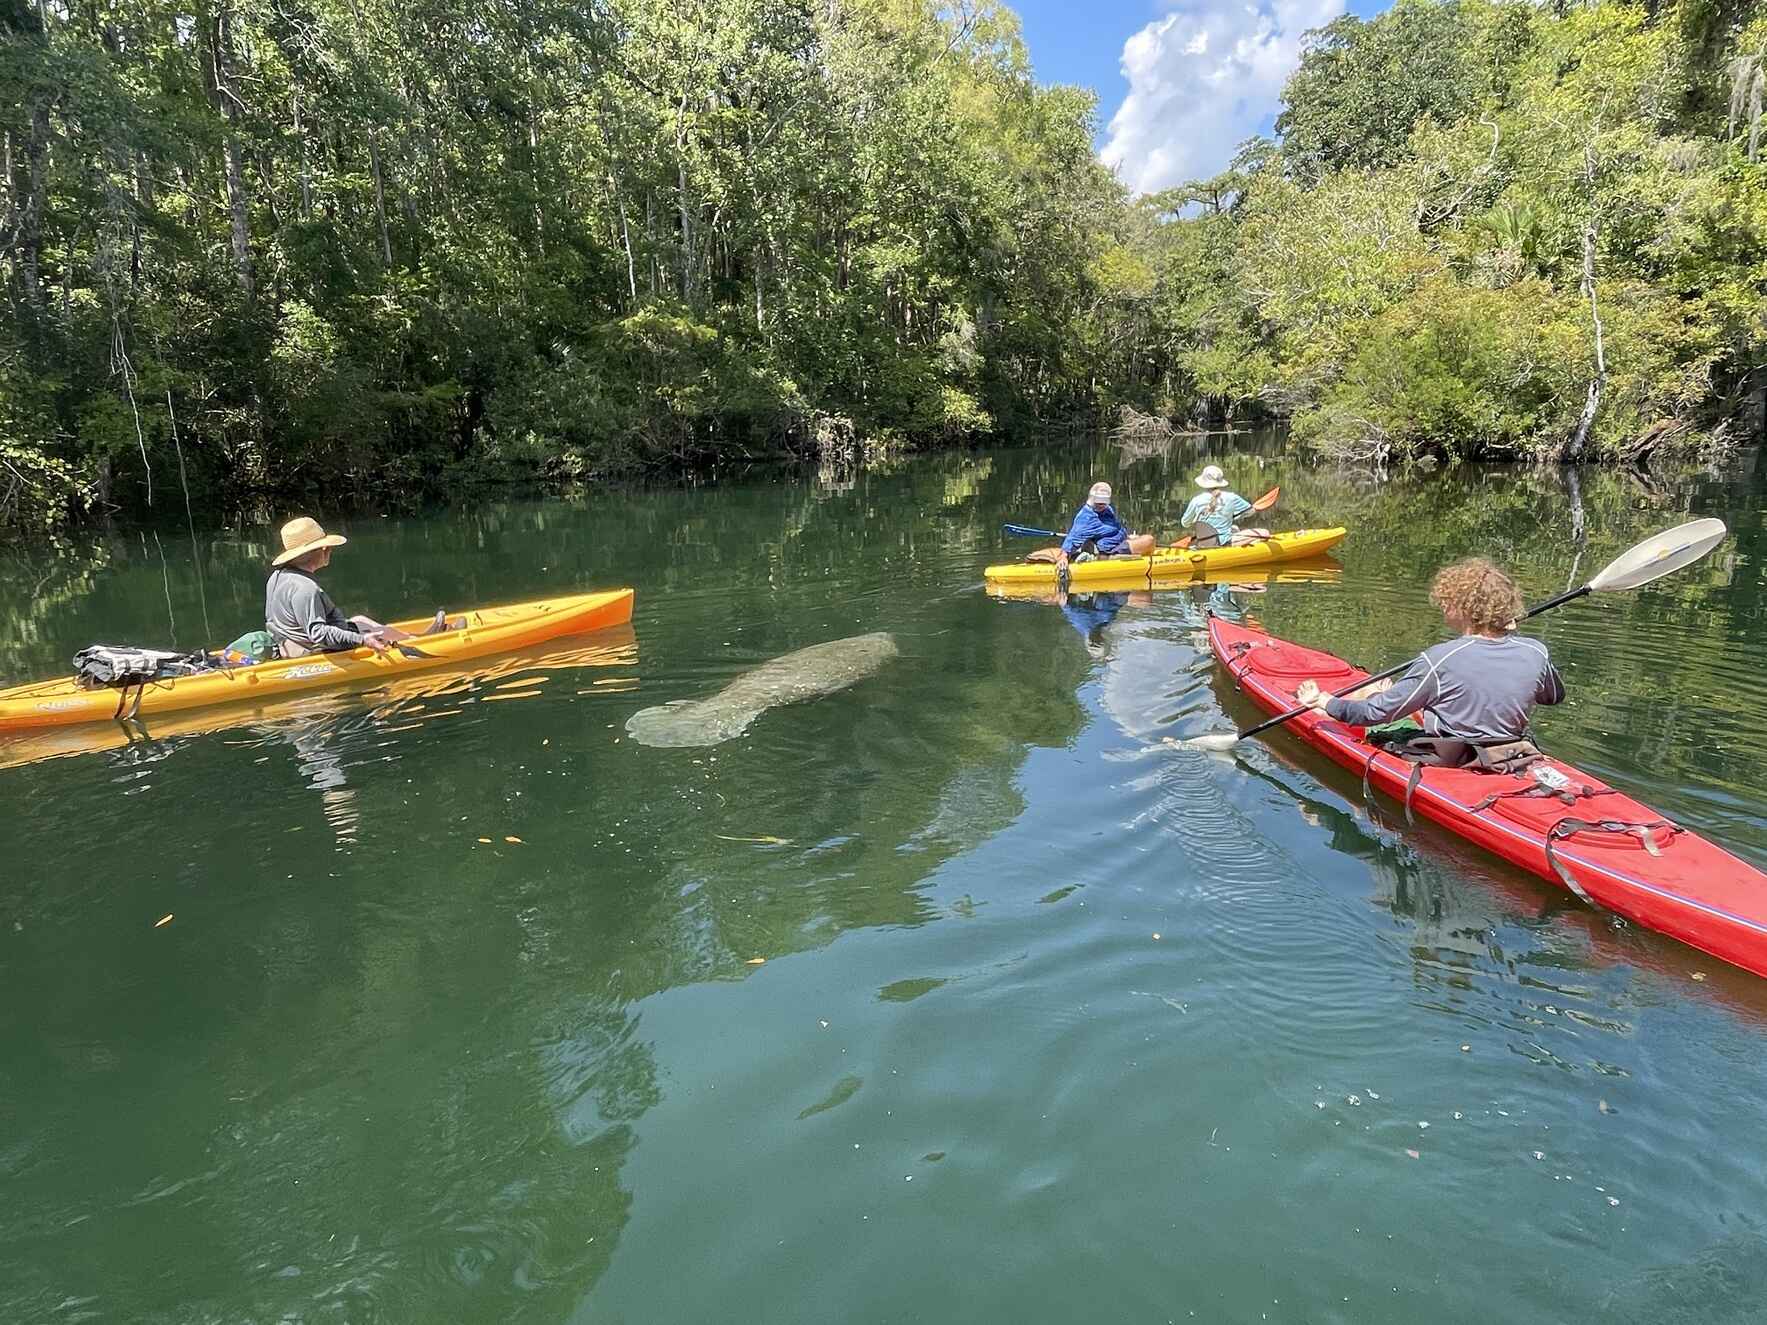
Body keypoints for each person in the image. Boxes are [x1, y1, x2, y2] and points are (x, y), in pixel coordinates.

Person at [1294, 558, 1564, 753]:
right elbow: (1553, 697)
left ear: (1464, 608)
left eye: (1447, 602)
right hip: (1511, 752)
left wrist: (1328, 702)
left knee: (1369, 700)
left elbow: (1375, 714)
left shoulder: (1439, 659)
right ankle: (1384, 694)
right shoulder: (1535, 650)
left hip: (1449, 757)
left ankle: (1323, 705)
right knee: (1395, 696)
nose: (1443, 607)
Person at [265, 516, 458, 659]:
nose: (330, 550)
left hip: (290, 643)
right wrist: (362, 640)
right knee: (367, 633)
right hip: (306, 651)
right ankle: (424, 645)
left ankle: (418, 638)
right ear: (320, 550)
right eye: (327, 547)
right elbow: (318, 634)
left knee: (360, 620)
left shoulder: (277, 577)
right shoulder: (305, 588)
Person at [1034, 482, 1156, 573]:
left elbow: (1112, 528)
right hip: (1110, 550)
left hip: (1120, 542)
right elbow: (1073, 537)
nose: (1102, 505)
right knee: (1149, 540)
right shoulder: (1086, 517)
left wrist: (1128, 536)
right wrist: (1063, 556)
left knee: (1140, 538)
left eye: (1104, 502)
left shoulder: (1106, 508)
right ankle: (1103, 558)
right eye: (1099, 502)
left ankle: (1125, 549)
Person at [1180, 465, 1258, 548]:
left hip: (1204, 543)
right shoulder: (1232, 497)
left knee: (1234, 528)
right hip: (1224, 542)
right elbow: (1251, 511)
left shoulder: (1196, 500)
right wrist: (1235, 516)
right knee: (1264, 533)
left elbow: (1185, 523)